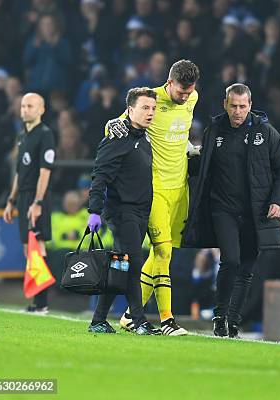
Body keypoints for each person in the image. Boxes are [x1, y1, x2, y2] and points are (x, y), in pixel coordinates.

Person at [182, 83, 280, 338]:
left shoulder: (265, 132)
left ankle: (233, 321)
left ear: (250, 106)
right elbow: (204, 167)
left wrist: (279, 201)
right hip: (223, 209)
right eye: (233, 106)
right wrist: (185, 155)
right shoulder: (214, 131)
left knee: (246, 268)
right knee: (230, 260)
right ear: (225, 104)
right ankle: (219, 316)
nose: (238, 111)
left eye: (242, 106)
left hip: (257, 212)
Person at [106, 60, 200, 336]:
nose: (184, 96)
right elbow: (118, 125)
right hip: (155, 187)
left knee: (163, 255)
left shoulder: (193, 98)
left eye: (189, 91)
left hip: (179, 188)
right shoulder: (151, 102)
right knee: (163, 252)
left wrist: (190, 148)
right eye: (180, 91)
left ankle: (128, 315)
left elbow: (179, 134)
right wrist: (114, 123)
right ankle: (167, 319)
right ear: (169, 83)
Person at [87, 87, 159, 335]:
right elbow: (100, 175)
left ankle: (98, 320)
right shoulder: (118, 137)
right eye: (144, 108)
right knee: (134, 262)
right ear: (130, 110)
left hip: (140, 212)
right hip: (121, 211)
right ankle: (139, 321)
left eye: (153, 108)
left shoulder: (145, 138)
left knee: (120, 267)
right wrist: (94, 210)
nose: (150, 113)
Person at [2, 92, 55, 314]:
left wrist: (38, 202)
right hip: (22, 196)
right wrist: (11, 200)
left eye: (30, 106)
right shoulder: (22, 135)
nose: (25, 109)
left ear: (41, 109)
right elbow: (18, 172)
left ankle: (42, 303)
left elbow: (45, 171)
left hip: (36, 195)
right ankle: (35, 301)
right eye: (23, 106)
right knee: (27, 247)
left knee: (38, 243)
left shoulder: (45, 135)